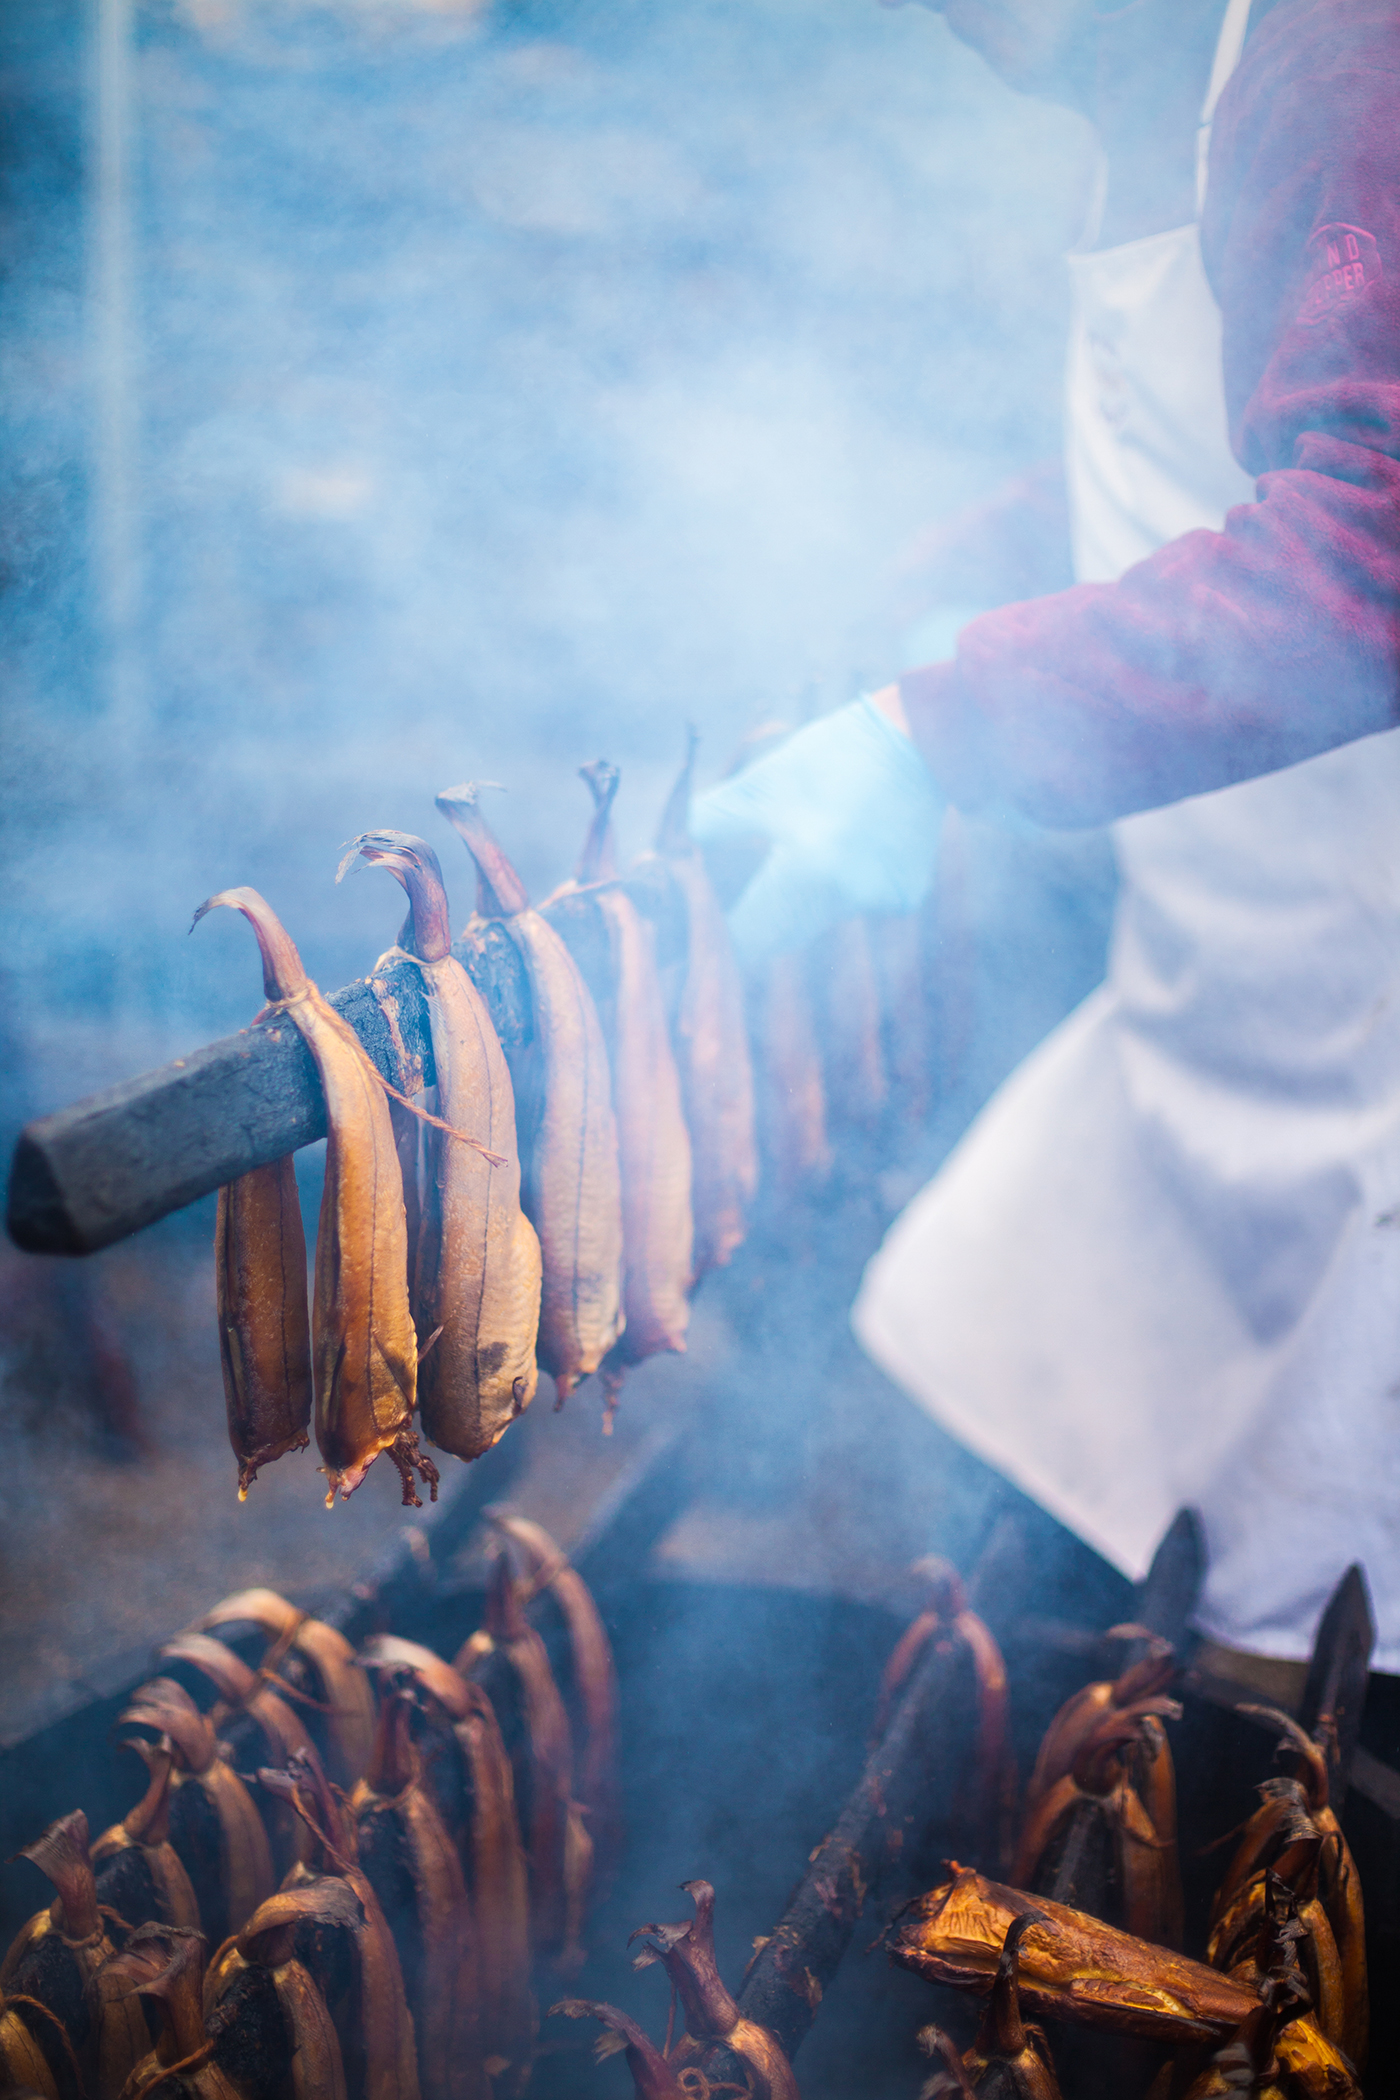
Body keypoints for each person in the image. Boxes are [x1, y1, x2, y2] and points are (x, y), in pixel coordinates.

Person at [691, 0, 1400, 1690]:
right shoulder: (1148, 86)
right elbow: (1189, 447)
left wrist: (948, 729)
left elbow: (1372, 533)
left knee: (1297, 1715)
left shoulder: (1342, 55)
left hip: (1376, 1066)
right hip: (1231, 1000)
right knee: (1085, 1533)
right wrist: (927, 608)